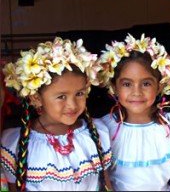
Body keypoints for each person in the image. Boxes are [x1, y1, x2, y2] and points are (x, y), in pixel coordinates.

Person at [1, 37, 113, 191]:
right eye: (61, 97)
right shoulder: (16, 144)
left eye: (79, 93)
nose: (72, 105)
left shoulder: (95, 134)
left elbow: (106, 185)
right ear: (36, 98)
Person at [96, 33, 170, 191]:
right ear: (114, 87)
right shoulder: (105, 128)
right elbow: (105, 179)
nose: (136, 92)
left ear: (159, 86)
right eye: (127, 84)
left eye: (145, 84)